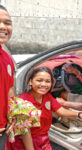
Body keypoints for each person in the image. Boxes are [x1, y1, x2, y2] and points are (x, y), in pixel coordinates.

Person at [6, 67, 82, 150]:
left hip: (43, 140)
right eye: (39, 80)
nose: (43, 84)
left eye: (47, 81)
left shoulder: (47, 97)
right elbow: (26, 133)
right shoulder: (22, 102)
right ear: (30, 81)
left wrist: (80, 115)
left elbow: (60, 111)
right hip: (25, 143)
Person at [0, 5, 15, 150]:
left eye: (7, 23)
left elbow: (9, 88)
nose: (3, 27)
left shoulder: (7, 58)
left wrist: (13, 114)